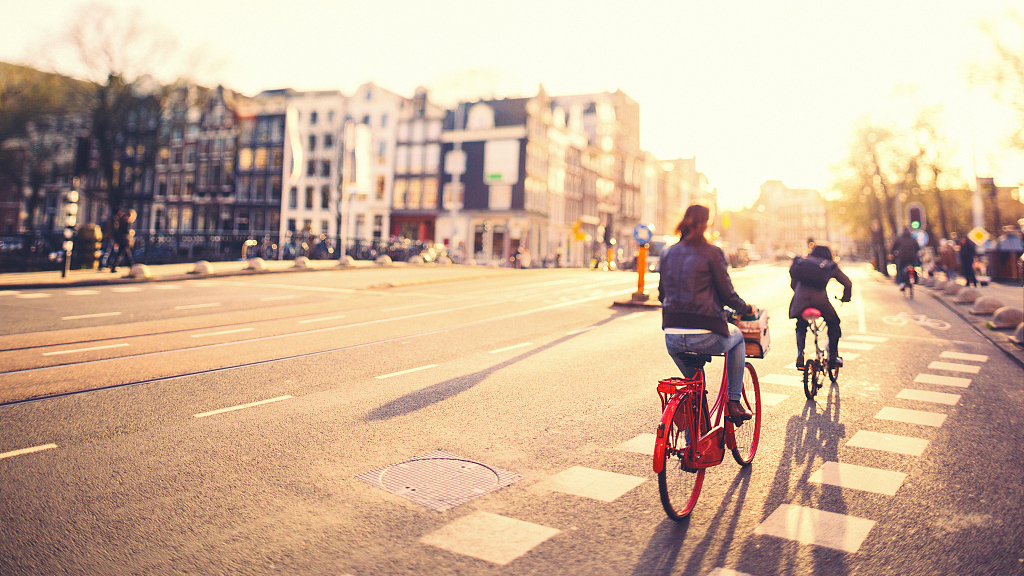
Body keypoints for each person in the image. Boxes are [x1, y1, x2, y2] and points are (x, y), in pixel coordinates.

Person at [658, 204, 757, 421]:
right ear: (707, 224)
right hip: (704, 334)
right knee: (737, 337)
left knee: (694, 388)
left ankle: (693, 435)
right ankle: (734, 402)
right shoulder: (712, 252)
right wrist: (747, 308)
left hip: (672, 336)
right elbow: (727, 295)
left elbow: (661, 294)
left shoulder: (668, 253)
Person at [789, 244, 852, 370]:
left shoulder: (803, 263)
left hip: (800, 300)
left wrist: (799, 293)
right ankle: (833, 358)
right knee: (834, 323)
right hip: (820, 301)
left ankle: (800, 355)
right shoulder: (829, 265)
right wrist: (845, 298)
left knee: (801, 324)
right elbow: (847, 283)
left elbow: (793, 283)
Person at [109, 208, 137, 273]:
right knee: (124, 254)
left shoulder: (122, 219)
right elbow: (126, 231)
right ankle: (131, 266)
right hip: (124, 240)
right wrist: (130, 232)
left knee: (123, 254)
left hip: (121, 239)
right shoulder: (126, 221)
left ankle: (130, 266)